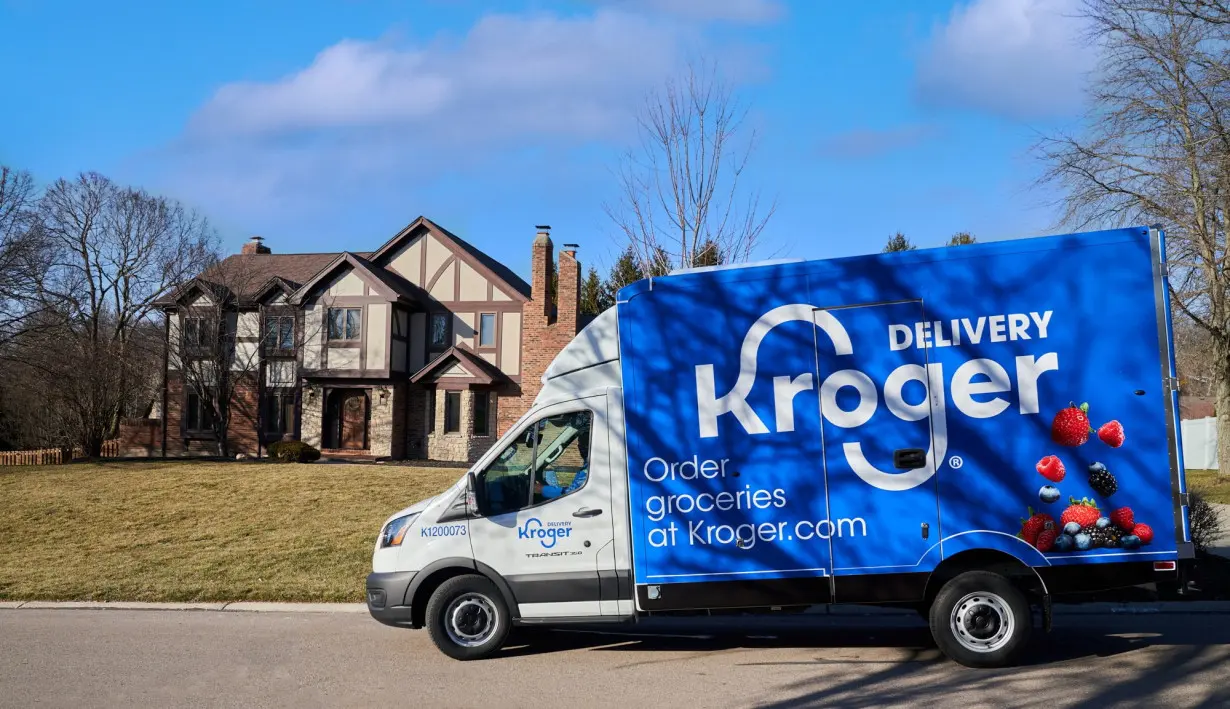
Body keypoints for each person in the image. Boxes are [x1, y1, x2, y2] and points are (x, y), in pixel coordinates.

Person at [534, 428, 589, 500]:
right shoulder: (589, 464)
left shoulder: (591, 467)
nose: (579, 446)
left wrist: (542, 489)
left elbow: (572, 492)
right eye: (579, 444)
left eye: (582, 444)